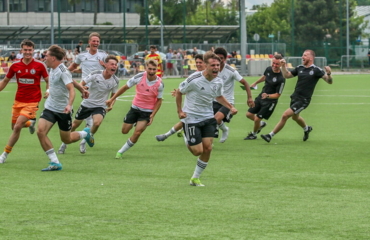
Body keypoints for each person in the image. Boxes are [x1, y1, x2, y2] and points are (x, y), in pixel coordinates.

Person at [176, 51, 237, 187]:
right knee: (197, 151)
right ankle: (187, 137)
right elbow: (179, 92)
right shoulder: (194, 79)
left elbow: (218, 96)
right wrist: (180, 111)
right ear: (205, 66)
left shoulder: (218, 81)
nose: (216, 67)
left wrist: (230, 107)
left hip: (208, 117)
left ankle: (195, 178)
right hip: (191, 117)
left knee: (208, 148)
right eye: (213, 65)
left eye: (218, 65)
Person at [37, 45, 91, 171]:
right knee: (40, 132)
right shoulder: (53, 68)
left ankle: (85, 133)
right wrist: (82, 89)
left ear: (53, 58)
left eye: (47, 55)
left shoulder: (63, 71)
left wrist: (69, 105)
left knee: (66, 139)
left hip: (63, 111)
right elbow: (70, 80)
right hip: (50, 108)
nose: (45, 57)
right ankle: (55, 162)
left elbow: (70, 89)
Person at [261, 49, 333, 143]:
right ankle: (307, 129)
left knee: (285, 115)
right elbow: (287, 75)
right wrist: (283, 66)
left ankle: (270, 135)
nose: (303, 57)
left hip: (304, 100)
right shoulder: (300, 68)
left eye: (305, 55)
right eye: (303, 55)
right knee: (295, 117)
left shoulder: (316, 70)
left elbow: (329, 81)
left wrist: (329, 74)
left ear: (311, 58)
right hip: (295, 97)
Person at [58, 55, 119, 154]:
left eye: (116, 65)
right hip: (87, 104)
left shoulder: (115, 80)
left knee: (97, 123)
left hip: (100, 106)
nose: (114, 66)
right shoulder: (95, 74)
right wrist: (83, 89)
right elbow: (82, 83)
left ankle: (84, 141)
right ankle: (64, 144)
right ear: (106, 65)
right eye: (112, 64)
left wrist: (111, 103)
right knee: (74, 125)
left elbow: (114, 95)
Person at [0, 39, 49, 164]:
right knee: (14, 127)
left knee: (17, 127)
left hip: (33, 102)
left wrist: (48, 90)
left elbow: (49, 80)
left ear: (33, 51)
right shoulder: (15, 66)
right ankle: (30, 124)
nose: (28, 52)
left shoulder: (39, 65)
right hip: (18, 101)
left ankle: (4, 154)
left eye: (30, 50)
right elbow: (5, 81)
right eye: (25, 50)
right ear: (21, 50)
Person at [106, 59, 164, 159]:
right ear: (145, 68)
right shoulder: (139, 77)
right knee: (124, 131)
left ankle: (120, 152)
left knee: (137, 133)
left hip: (147, 112)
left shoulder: (159, 83)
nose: (151, 71)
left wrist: (152, 115)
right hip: (135, 108)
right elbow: (125, 87)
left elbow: (159, 100)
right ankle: (133, 121)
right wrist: (112, 99)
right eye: (149, 69)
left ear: (157, 69)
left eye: (154, 69)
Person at [65, 32, 107, 154]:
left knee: (90, 119)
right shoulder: (82, 56)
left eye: (97, 41)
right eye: (93, 41)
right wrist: (63, 73)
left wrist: (105, 66)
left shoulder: (103, 55)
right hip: (85, 87)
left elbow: (111, 69)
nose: (96, 43)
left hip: (100, 88)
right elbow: (73, 66)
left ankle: (83, 140)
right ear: (89, 42)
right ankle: (75, 141)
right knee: (87, 118)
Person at [155, 54, 206, 142]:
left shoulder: (211, 75)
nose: (198, 64)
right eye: (196, 62)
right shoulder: (194, 76)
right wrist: (179, 91)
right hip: (193, 106)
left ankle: (170, 135)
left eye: (200, 62)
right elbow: (187, 89)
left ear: (206, 63)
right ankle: (168, 135)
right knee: (185, 121)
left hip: (205, 106)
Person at [212, 47, 254, 143]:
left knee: (216, 119)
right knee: (210, 121)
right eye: (217, 58)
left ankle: (217, 131)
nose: (219, 60)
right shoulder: (212, 69)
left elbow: (245, 83)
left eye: (221, 58)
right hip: (214, 100)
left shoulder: (231, 71)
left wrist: (250, 98)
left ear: (225, 58)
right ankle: (225, 129)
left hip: (227, 101)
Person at [244, 54, 286, 140]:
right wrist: (255, 83)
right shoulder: (268, 69)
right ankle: (261, 124)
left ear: (281, 64)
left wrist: (268, 95)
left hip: (270, 101)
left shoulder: (281, 78)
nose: (274, 65)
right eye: (273, 63)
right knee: (248, 114)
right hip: (261, 96)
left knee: (257, 119)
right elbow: (265, 77)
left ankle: (253, 134)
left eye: (277, 64)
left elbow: (278, 95)